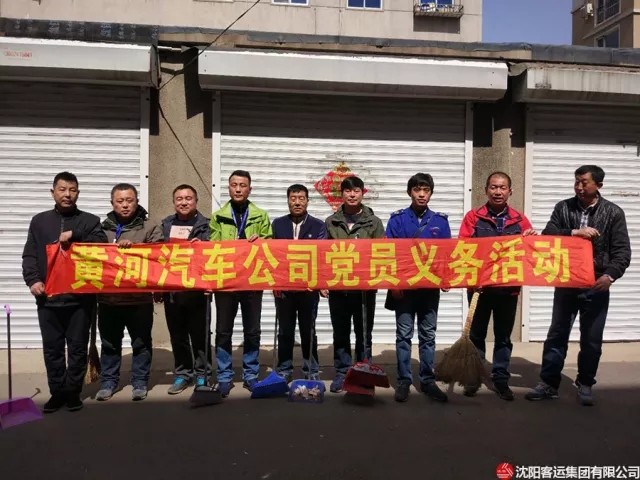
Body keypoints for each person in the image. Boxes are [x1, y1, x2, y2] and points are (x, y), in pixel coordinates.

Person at [525, 165, 631, 406]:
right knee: (557, 334)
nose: (579, 187)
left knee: (591, 338)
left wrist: (610, 276)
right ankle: (548, 383)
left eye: (584, 182)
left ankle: (585, 383)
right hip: (566, 281)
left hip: (596, 284)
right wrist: (575, 232)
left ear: (598, 185)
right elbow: (549, 233)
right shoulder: (563, 207)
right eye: (576, 182)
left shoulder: (613, 213)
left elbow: (622, 252)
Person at [22, 171, 108, 413]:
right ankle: (57, 392)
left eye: (72, 190)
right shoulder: (39, 221)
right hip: (47, 298)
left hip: (79, 299)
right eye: (62, 189)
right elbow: (29, 255)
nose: (67, 194)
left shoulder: (90, 221)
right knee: (53, 349)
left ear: (78, 193)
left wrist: (75, 235)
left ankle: (73, 392)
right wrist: (33, 281)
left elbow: (102, 244)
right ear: (53, 192)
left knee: (78, 348)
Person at [458, 172, 536, 401]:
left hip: (507, 290)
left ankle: (501, 378)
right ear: (486, 190)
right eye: (493, 187)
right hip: (479, 289)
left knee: (503, 337)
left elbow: (530, 253)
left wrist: (531, 238)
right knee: (477, 335)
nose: (498, 192)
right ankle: (475, 377)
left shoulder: (520, 220)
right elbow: (463, 249)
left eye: (502, 188)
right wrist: (472, 281)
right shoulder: (473, 218)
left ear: (510, 191)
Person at [385, 173, 452, 403]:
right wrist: (393, 284)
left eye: (426, 190)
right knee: (403, 335)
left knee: (428, 335)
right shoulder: (397, 220)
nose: (421, 194)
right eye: (417, 190)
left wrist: (446, 278)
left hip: (429, 289)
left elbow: (445, 255)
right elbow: (388, 255)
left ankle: (427, 381)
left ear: (431, 193)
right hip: (404, 289)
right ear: (409, 192)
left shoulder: (440, 221)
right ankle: (404, 380)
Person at [95, 183, 163, 402]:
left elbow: (159, 256)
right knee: (109, 344)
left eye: (129, 200)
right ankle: (108, 382)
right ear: (112, 203)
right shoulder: (101, 229)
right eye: (120, 201)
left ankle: (140, 382)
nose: (125, 205)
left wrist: (134, 248)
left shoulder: (150, 226)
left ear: (136, 201)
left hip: (139, 299)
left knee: (141, 343)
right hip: (108, 299)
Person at [210, 170, 272, 397]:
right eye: (234, 185)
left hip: (252, 282)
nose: (238, 189)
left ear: (249, 189)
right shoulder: (218, 217)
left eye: (242, 185)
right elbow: (212, 247)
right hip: (226, 283)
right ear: (228, 188)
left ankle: (251, 374)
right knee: (223, 331)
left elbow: (271, 245)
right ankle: (224, 376)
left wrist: (261, 241)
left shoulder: (261, 216)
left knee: (252, 331)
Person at [325, 176, 385, 394]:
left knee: (364, 334)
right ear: (341, 194)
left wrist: (376, 279)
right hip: (339, 288)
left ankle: (363, 373)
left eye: (356, 190)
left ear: (362, 193)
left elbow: (382, 254)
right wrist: (323, 281)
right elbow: (323, 255)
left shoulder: (374, 222)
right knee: (340, 334)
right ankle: (342, 374)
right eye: (348, 191)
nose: (352, 195)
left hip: (364, 290)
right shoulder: (331, 222)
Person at [159, 184, 212, 395]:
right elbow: (156, 255)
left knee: (200, 336)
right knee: (178, 336)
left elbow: (216, 255)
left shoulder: (207, 226)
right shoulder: (165, 225)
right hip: (173, 291)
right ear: (174, 202)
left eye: (188, 198)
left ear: (196, 201)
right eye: (179, 199)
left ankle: (202, 375)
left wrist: (203, 245)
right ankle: (183, 374)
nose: (184, 202)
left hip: (198, 291)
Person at [272, 184, 328, 382]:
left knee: (308, 330)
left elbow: (322, 257)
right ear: (288, 200)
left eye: (301, 198)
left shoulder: (318, 225)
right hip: (284, 289)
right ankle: (284, 369)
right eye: (293, 198)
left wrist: (320, 283)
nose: (297, 202)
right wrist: (275, 282)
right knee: (285, 331)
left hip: (308, 289)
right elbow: (272, 255)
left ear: (307, 201)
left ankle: (311, 369)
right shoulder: (278, 224)